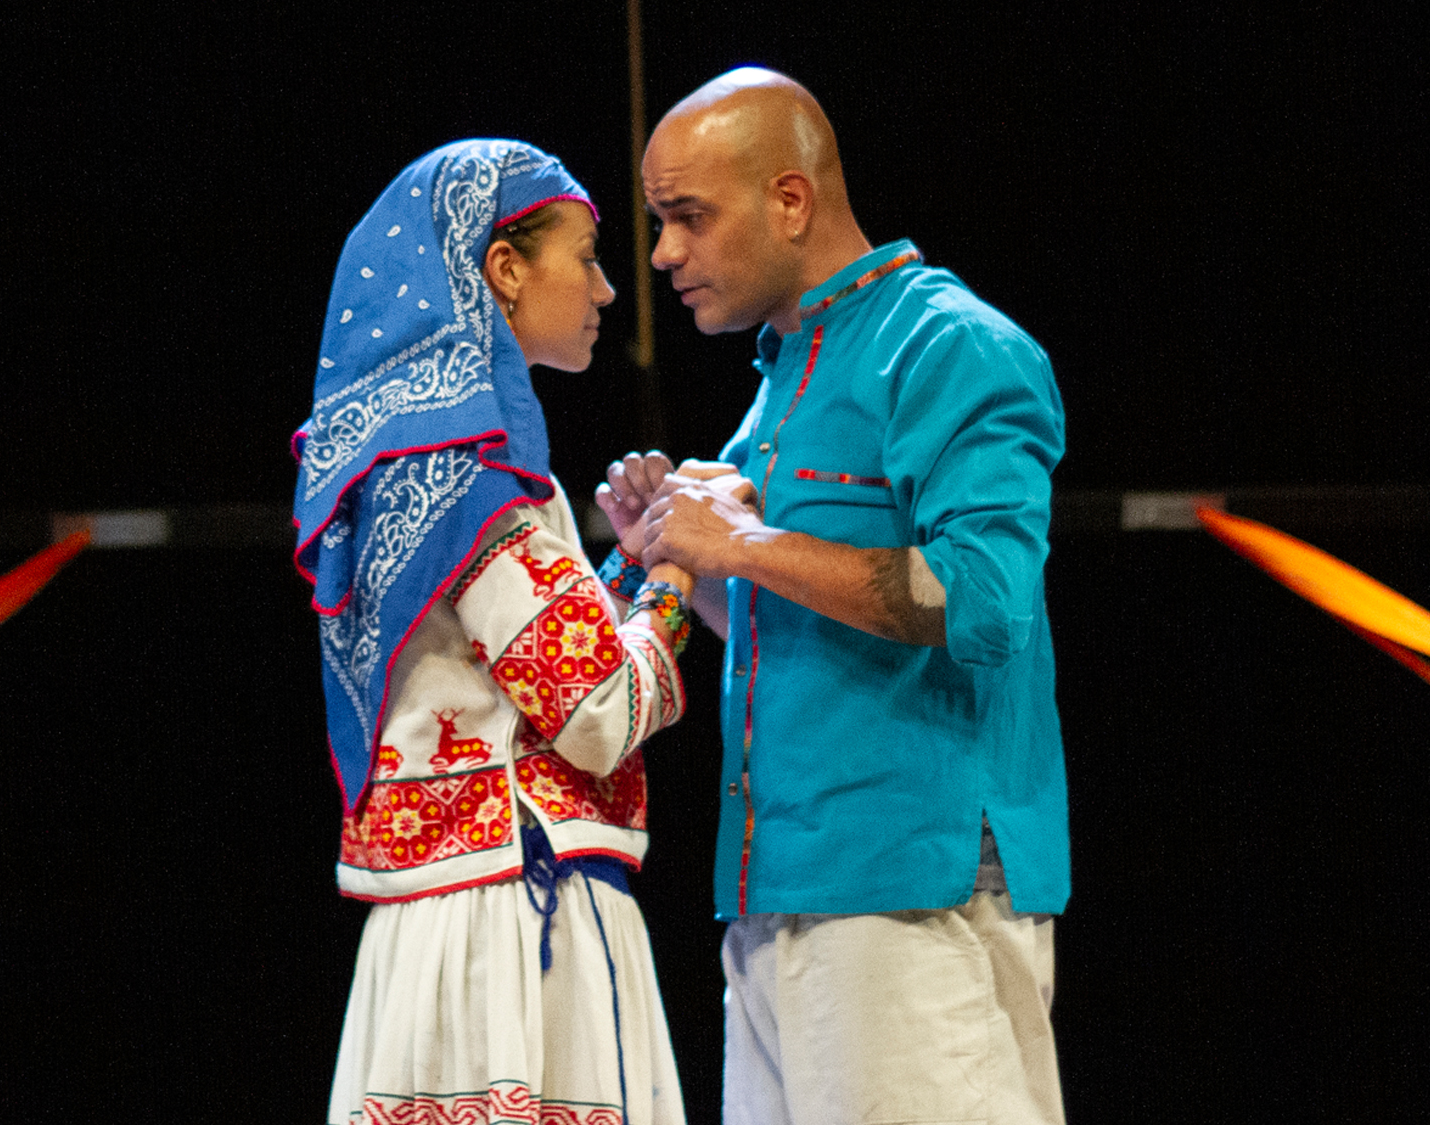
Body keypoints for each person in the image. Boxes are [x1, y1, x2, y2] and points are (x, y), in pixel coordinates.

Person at [615, 69, 1072, 1123]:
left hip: (916, 896)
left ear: (790, 199)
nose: (663, 255)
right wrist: (683, 551)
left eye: (689, 217)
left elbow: (983, 602)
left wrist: (746, 540)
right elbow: (782, 624)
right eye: (656, 222)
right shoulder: (783, 379)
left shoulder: (950, 346)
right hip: (779, 896)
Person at [293, 140, 698, 1125]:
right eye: (587, 255)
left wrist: (628, 570)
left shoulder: (403, 460)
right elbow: (595, 709)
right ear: (503, 268)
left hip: (447, 917)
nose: (609, 286)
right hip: (516, 925)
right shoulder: (472, 473)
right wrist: (682, 578)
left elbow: (508, 668)